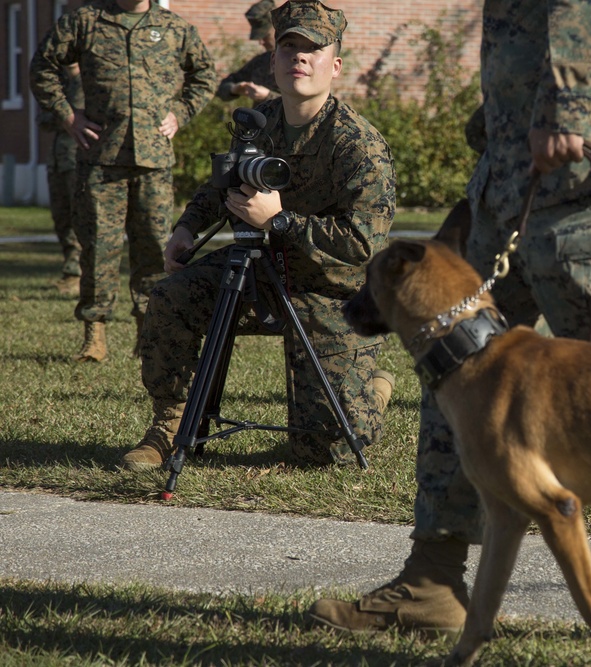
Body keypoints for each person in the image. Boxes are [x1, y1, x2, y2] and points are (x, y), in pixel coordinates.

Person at [307, 0, 591, 636]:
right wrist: (499, 125)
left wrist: (565, 107)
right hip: (511, 181)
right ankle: (432, 582)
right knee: (453, 373)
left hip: (581, 179)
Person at [120, 0, 397, 471]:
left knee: (326, 455)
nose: (299, 59)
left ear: (335, 65)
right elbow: (220, 184)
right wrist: (187, 227)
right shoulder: (260, 121)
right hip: (260, 273)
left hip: (334, 292)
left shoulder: (358, 144)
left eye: (313, 50)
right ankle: (171, 426)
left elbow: (362, 245)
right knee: (171, 297)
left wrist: (280, 219)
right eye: (289, 48)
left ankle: (374, 387)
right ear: (273, 61)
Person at [30, 0, 217, 363]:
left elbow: (205, 74)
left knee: (153, 246)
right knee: (98, 247)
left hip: (153, 158)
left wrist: (180, 113)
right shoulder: (84, 22)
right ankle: (94, 335)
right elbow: (42, 66)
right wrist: (68, 116)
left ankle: (148, 332)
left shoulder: (174, 28)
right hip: (101, 157)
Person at [36, 63, 84, 297]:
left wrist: (64, 116)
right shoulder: (60, 84)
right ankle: (69, 270)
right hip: (57, 159)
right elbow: (43, 119)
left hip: (78, 159)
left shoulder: (88, 82)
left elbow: (81, 116)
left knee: (79, 217)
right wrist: (65, 117)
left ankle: (77, 275)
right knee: (62, 218)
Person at [216, 0, 281, 104]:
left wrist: (268, 96)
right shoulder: (262, 61)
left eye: (265, 36)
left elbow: (303, 104)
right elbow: (222, 88)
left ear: (278, 30)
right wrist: (234, 89)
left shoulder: (298, 62)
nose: (261, 42)